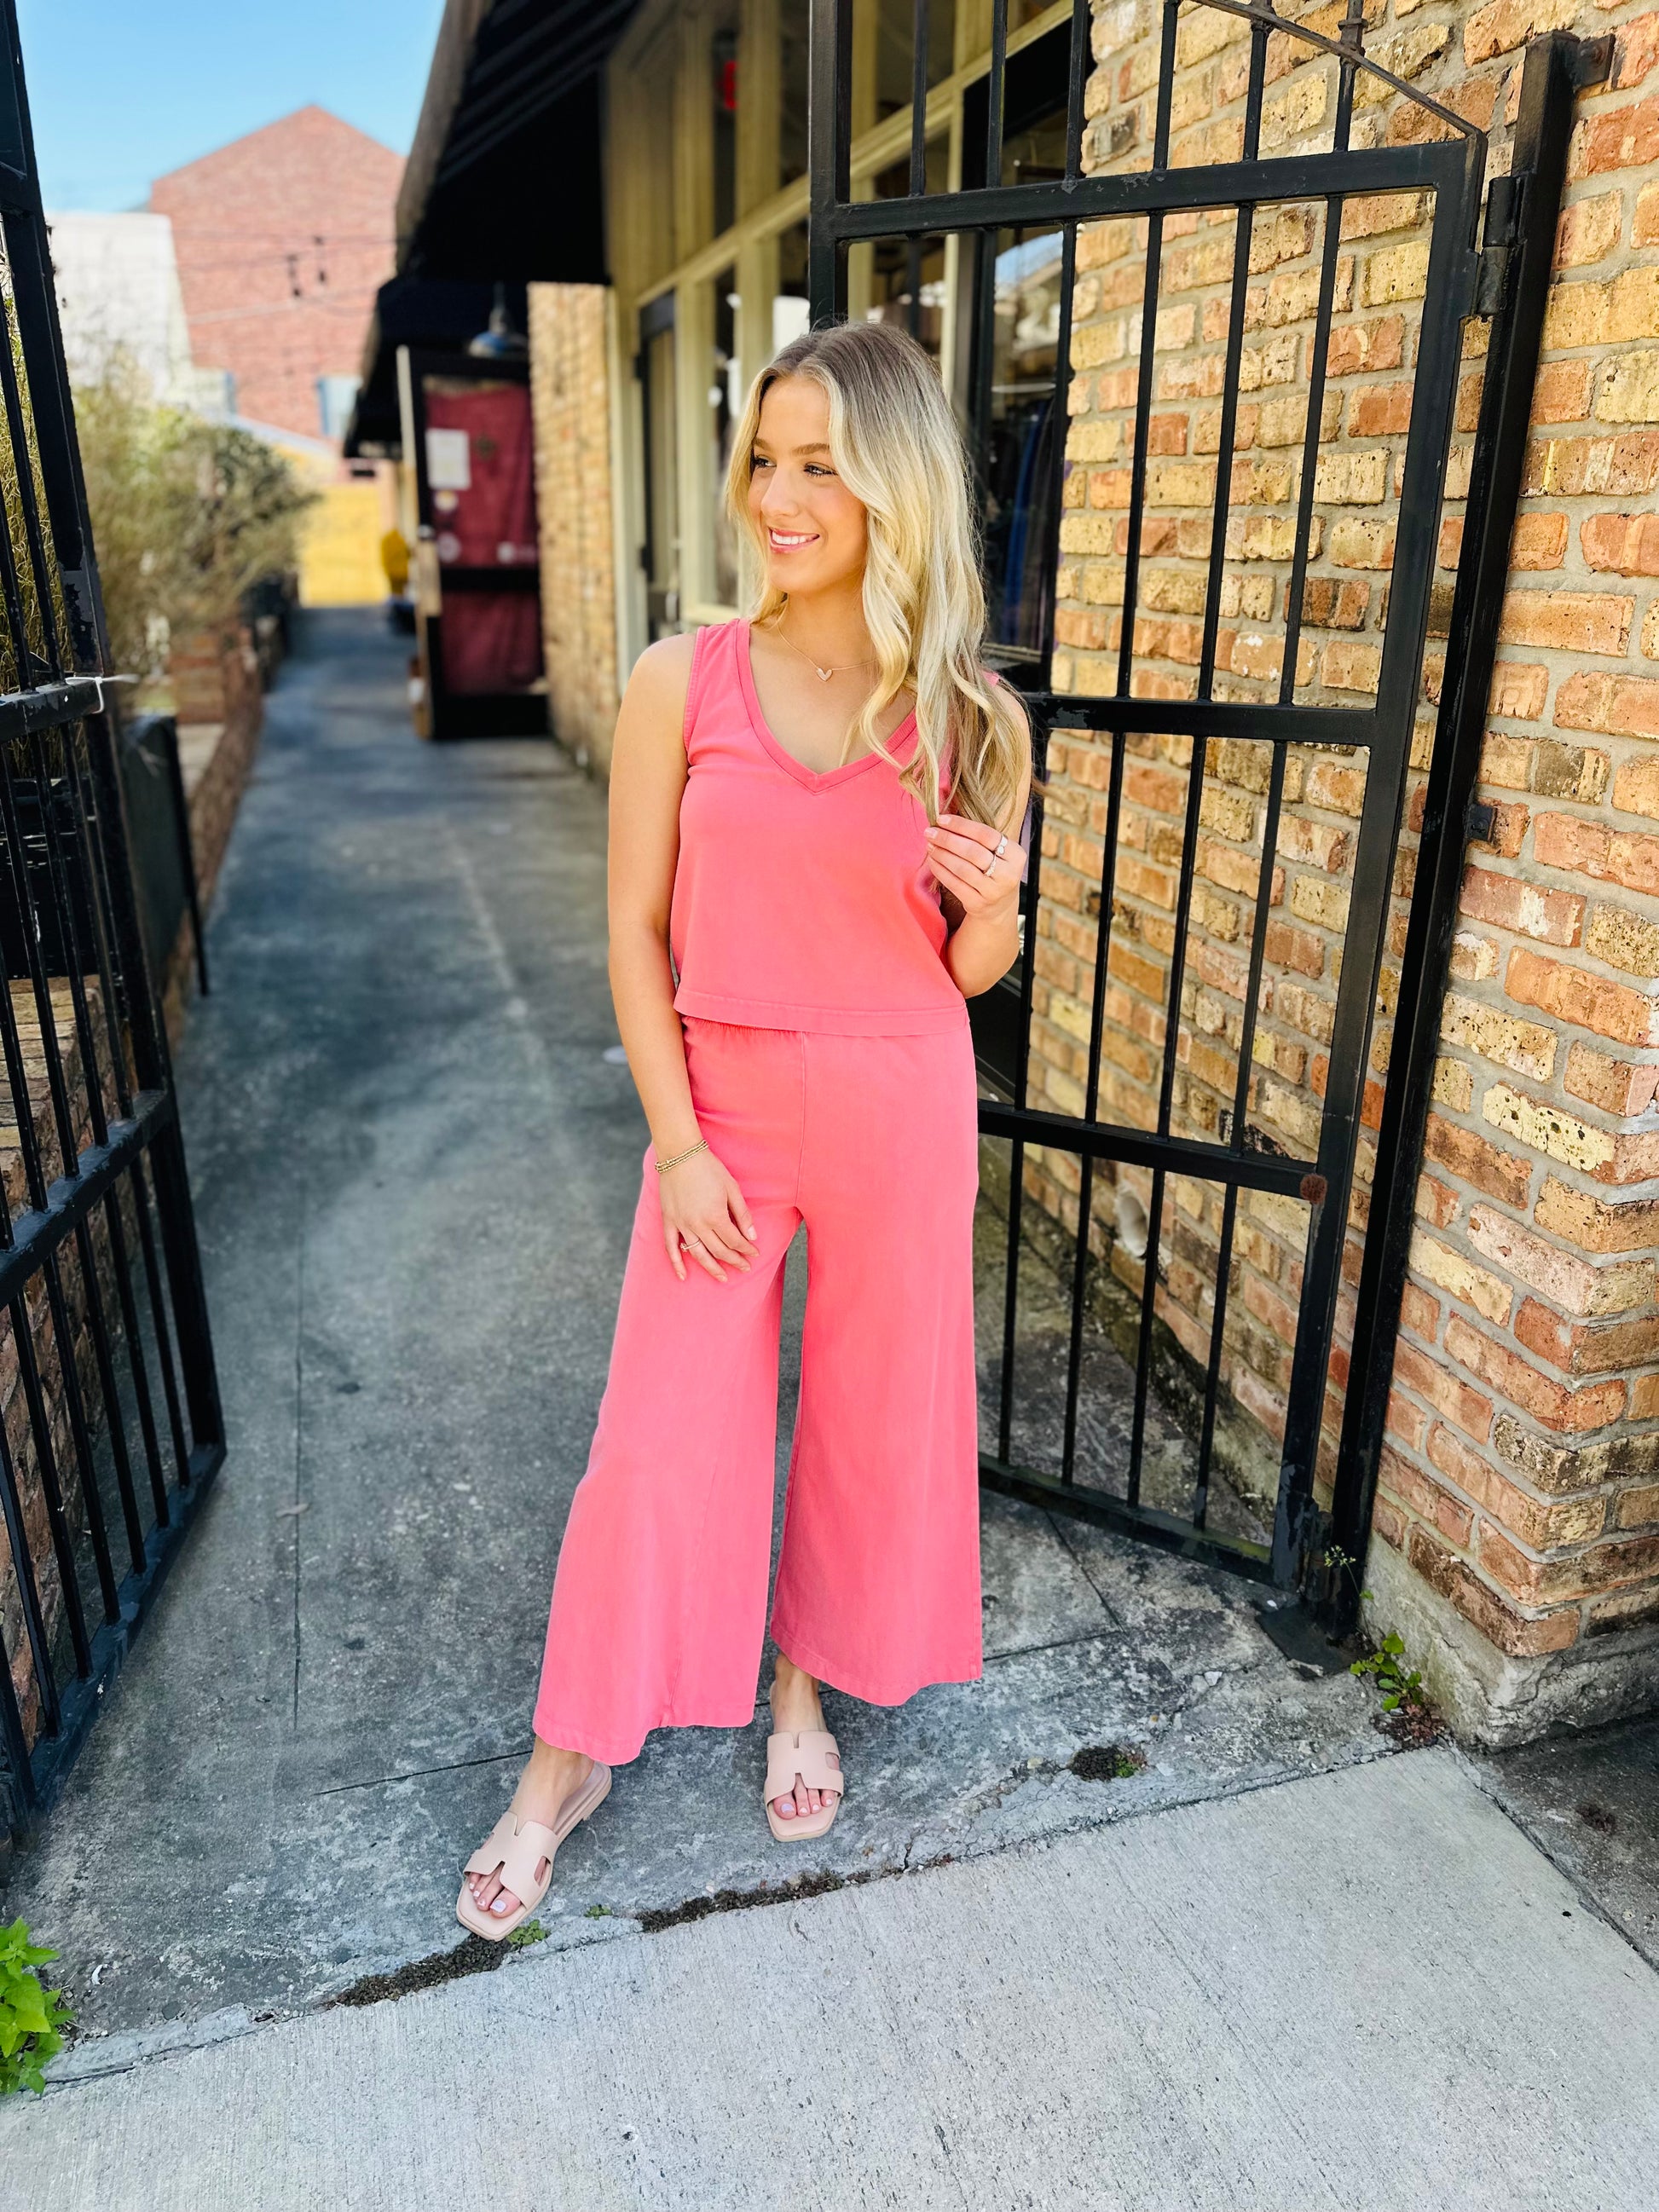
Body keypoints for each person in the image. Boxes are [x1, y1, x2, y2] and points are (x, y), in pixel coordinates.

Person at [459, 320, 1033, 1938]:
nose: (777, 498)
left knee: (867, 1422)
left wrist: (998, 910)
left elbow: (964, 969)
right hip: (722, 1109)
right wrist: (682, 1143)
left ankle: (800, 1688)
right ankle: (564, 1761)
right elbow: (634, 932)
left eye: (819, 467)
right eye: (764, 461)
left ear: (891, 485)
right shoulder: (682, 678)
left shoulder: (969, 716)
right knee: (654, 1439)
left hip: (901, 1098)